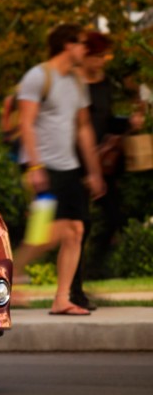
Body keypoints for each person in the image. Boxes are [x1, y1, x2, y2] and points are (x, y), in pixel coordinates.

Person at [11, 23, 105, 315]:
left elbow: (84, 128)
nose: (84, 50)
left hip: (70, 169)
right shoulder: (38, 77)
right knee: (44, 234)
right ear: (67, 44)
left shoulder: (76, 82)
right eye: (80, 43)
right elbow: (25, 123)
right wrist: (35, 165)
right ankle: (12, 274)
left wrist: (93, 171)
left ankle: (62, 298)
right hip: (45, 168)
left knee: (76, 230)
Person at [73, 32, 146, 308]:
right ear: (87, 55)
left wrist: (129, 122)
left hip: (102, 166)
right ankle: (75, 290)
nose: (103, 61)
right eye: (99, 55)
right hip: (79, 165)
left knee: (113, 217)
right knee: (79, 227)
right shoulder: (75, 86)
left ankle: (91, 271)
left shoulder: (104, 85)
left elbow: (107, 121)